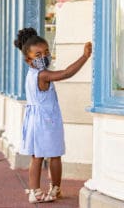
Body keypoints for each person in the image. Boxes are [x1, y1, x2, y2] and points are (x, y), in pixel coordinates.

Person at [14, 27, 92, 204]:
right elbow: (66, 73)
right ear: (28, 60)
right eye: (38, 55)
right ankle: (42, 191)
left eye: (47, 52)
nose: (44, 57)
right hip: (46, 121)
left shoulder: (32, 74)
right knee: (50, 155)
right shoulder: (42, 75)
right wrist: (85, 57)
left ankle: (46, 189)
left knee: (42, 155)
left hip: (36, 119)